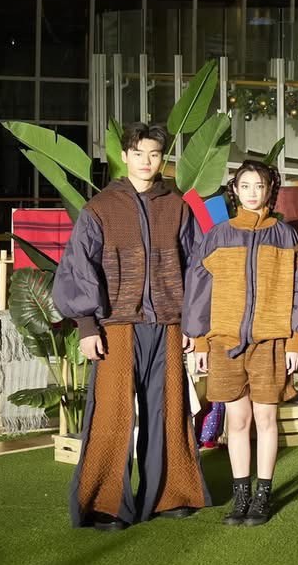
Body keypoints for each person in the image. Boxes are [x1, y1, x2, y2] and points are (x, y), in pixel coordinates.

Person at [53, 122, 207, 530]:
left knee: (169, 411)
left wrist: (192, 323)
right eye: (138, 153)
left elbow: (196, 267)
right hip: (116, 326)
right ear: (124, 156)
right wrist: (87, 325)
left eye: (154, 154)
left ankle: (170, 495)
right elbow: (78, 266)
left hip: (168, 324)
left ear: (162, 158)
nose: (146, 161)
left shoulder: (177, 206)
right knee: (112, 414)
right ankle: (105, 504)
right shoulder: (100, 208)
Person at [184, 160, 298, 527]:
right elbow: (199, 290)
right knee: (237, 421)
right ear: (235, 190)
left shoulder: (285, 236)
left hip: (271, 342)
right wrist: (201, 342)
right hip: (224, 342)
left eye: (260, 186)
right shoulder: (217, 235)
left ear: (271, 190)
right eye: (246, 186)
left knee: (266, 419)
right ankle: (241, 496)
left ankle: (263, 496)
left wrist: (295, 341)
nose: (253, 192)